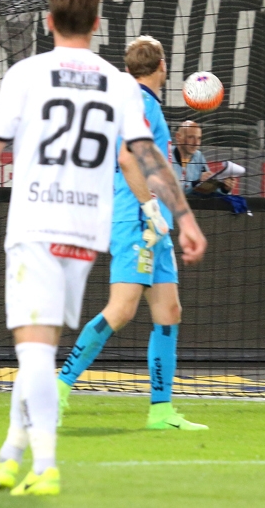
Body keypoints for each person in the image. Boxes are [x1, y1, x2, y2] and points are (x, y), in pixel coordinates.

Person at [0, 0, 207, 497]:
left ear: (48, 21)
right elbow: (139, 157)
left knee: (35, 348)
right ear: (98, 25)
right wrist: (183, 218)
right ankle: (12, 455)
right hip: (88, 225)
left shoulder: (27, 72)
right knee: (92, 324)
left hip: (38, 220)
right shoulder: (119, 86)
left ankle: (45, 461)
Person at [57, 35, 207, 432]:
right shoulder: (140, 103)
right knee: (122, 309)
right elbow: (128, 158)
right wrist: (150, 208)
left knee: (169, 311)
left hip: (152, 221)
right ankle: (57, 389)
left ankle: (160, 411)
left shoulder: (146, 103)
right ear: (163, 66)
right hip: (139, 219)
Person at [172, 120, 211, 193]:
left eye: (199, 138)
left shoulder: (199, 156)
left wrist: (224, 188)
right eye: (191, 137)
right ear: (178, 137)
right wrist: (196, 183)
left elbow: (208, 186)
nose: (196, 143)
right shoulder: (166, 155)